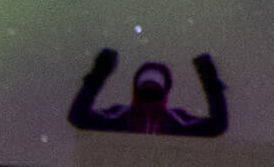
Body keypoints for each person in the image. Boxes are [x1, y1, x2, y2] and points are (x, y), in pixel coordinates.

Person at [70, 48, 228, 137]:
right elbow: (78, 117)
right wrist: (98, 74)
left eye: (155, 85)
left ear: (163, 90)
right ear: (137, 87)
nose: (150, 88)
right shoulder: (119, 116)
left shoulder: (177, 120)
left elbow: (216, 126)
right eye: (146, 83)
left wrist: (210, 81)